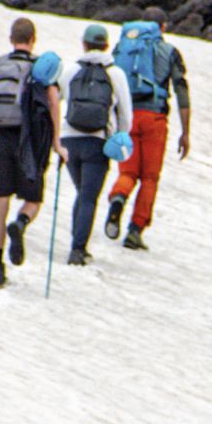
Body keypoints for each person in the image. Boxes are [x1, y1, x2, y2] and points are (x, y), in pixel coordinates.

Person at [0, 16, 54, 287]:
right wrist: (55, 143)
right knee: (34, 198)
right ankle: (22, 223)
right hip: (28, 139)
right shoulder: (40, 68)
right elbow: (51, 102)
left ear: (11, 39)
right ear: (33, 39)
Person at [102, 19, 190, 251]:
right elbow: (181, 89)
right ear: (163, 26)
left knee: (128, 172)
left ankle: (118, 197)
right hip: (155, 119)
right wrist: (185, 132)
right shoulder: (169, 51)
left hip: (128, 117)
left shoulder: (124, 47)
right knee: (149, 178)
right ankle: (135, 230)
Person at [55, 24, 128, 267]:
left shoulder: (71, 70)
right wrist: (120, 138)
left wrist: (55, 138)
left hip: (69, 141)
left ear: (84, 44)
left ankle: (78, 240)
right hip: (97, 142)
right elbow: (125, 113)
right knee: (88, 197)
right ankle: (78, 250)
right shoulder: (114, 73)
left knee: (82, 193)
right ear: (106, 45)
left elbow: (55, 100)